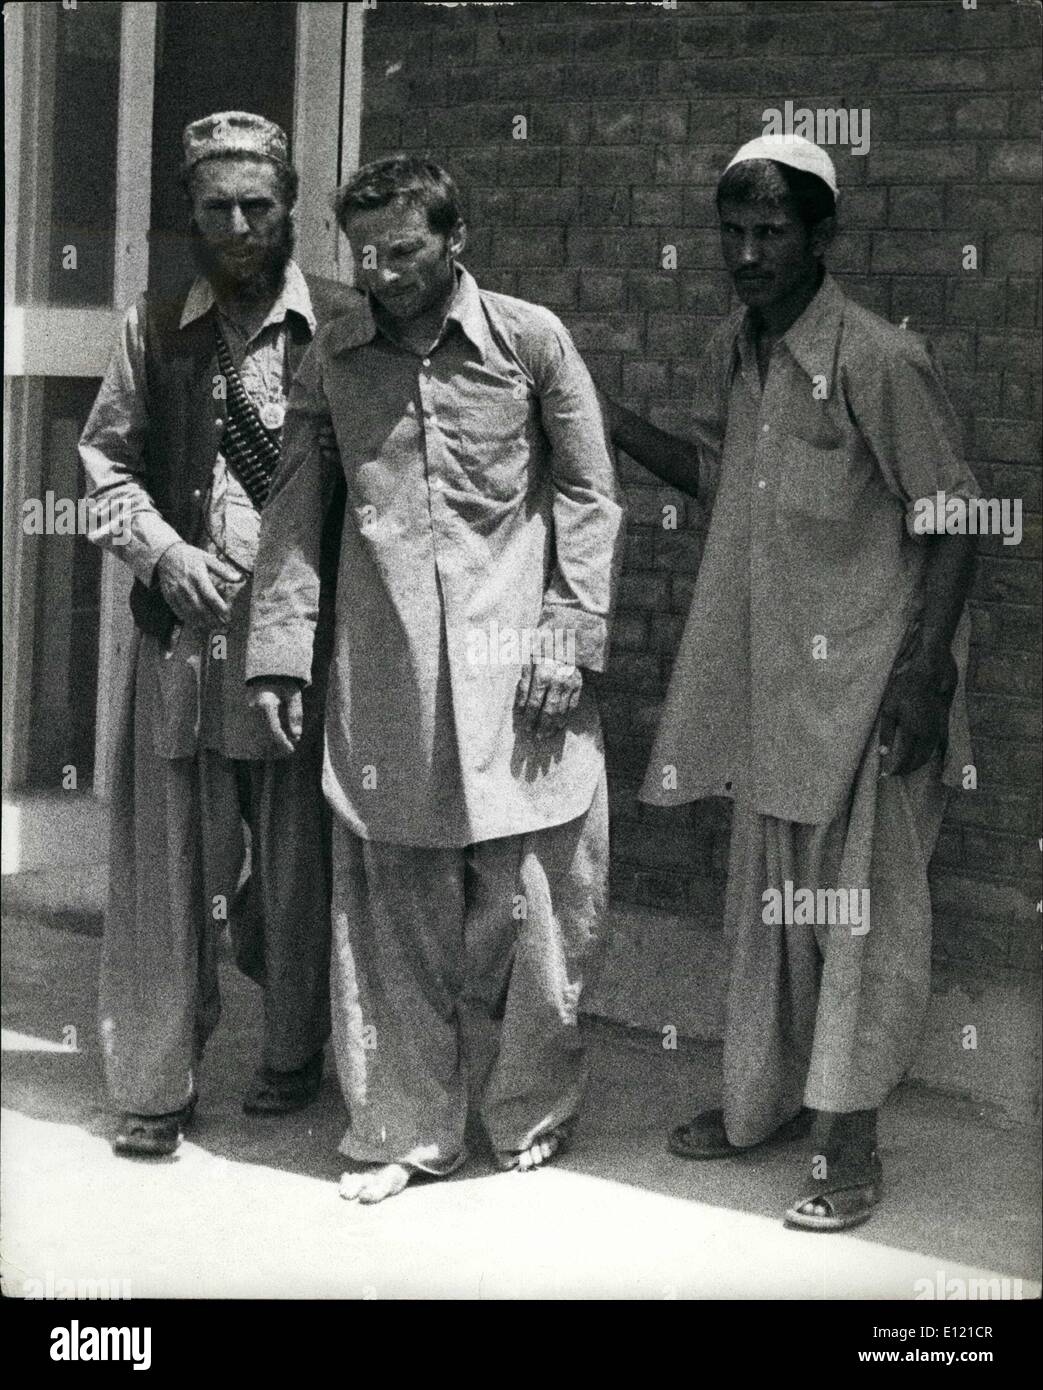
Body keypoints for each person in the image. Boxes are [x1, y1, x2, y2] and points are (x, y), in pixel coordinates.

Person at [603, 134, 978, 1231]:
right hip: (775, 684)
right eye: (731, 231)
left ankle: (848, 1143)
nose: (746, 253)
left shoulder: (876, 359)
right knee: (770, 907)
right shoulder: (739, 349)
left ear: (821, 237)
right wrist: (609, 424)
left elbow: (955, 520)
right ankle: (761, 1104)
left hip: (873, 689)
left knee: (858, 917)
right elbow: (724, 481)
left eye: (770, 231)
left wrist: (923, 677)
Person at [246, 155, 624, 1203]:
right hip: (390, 673)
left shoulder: (529, 341)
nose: (379, 272)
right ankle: (404, 1126)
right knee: (393, 910)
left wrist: (568, 633)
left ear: (456, 239)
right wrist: (278, 655)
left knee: (538, 903)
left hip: (522, 673)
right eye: (362, 253)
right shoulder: (331, 360)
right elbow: (293, 513)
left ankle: (528, 1108)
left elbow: (589, 493)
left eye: (403, 250)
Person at [81, 112, 359, 1157]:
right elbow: (105, 463)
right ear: (188, 218)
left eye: (258, 206)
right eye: (216, 209)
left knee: (296, 861)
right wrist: (162, 554)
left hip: (302, 643)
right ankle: (156, 1083)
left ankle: (292, 1049)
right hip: (183, 641)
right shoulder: (153, 327)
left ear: (290, 210)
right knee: (169, 872)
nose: (238, 227)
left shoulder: (344, 323)